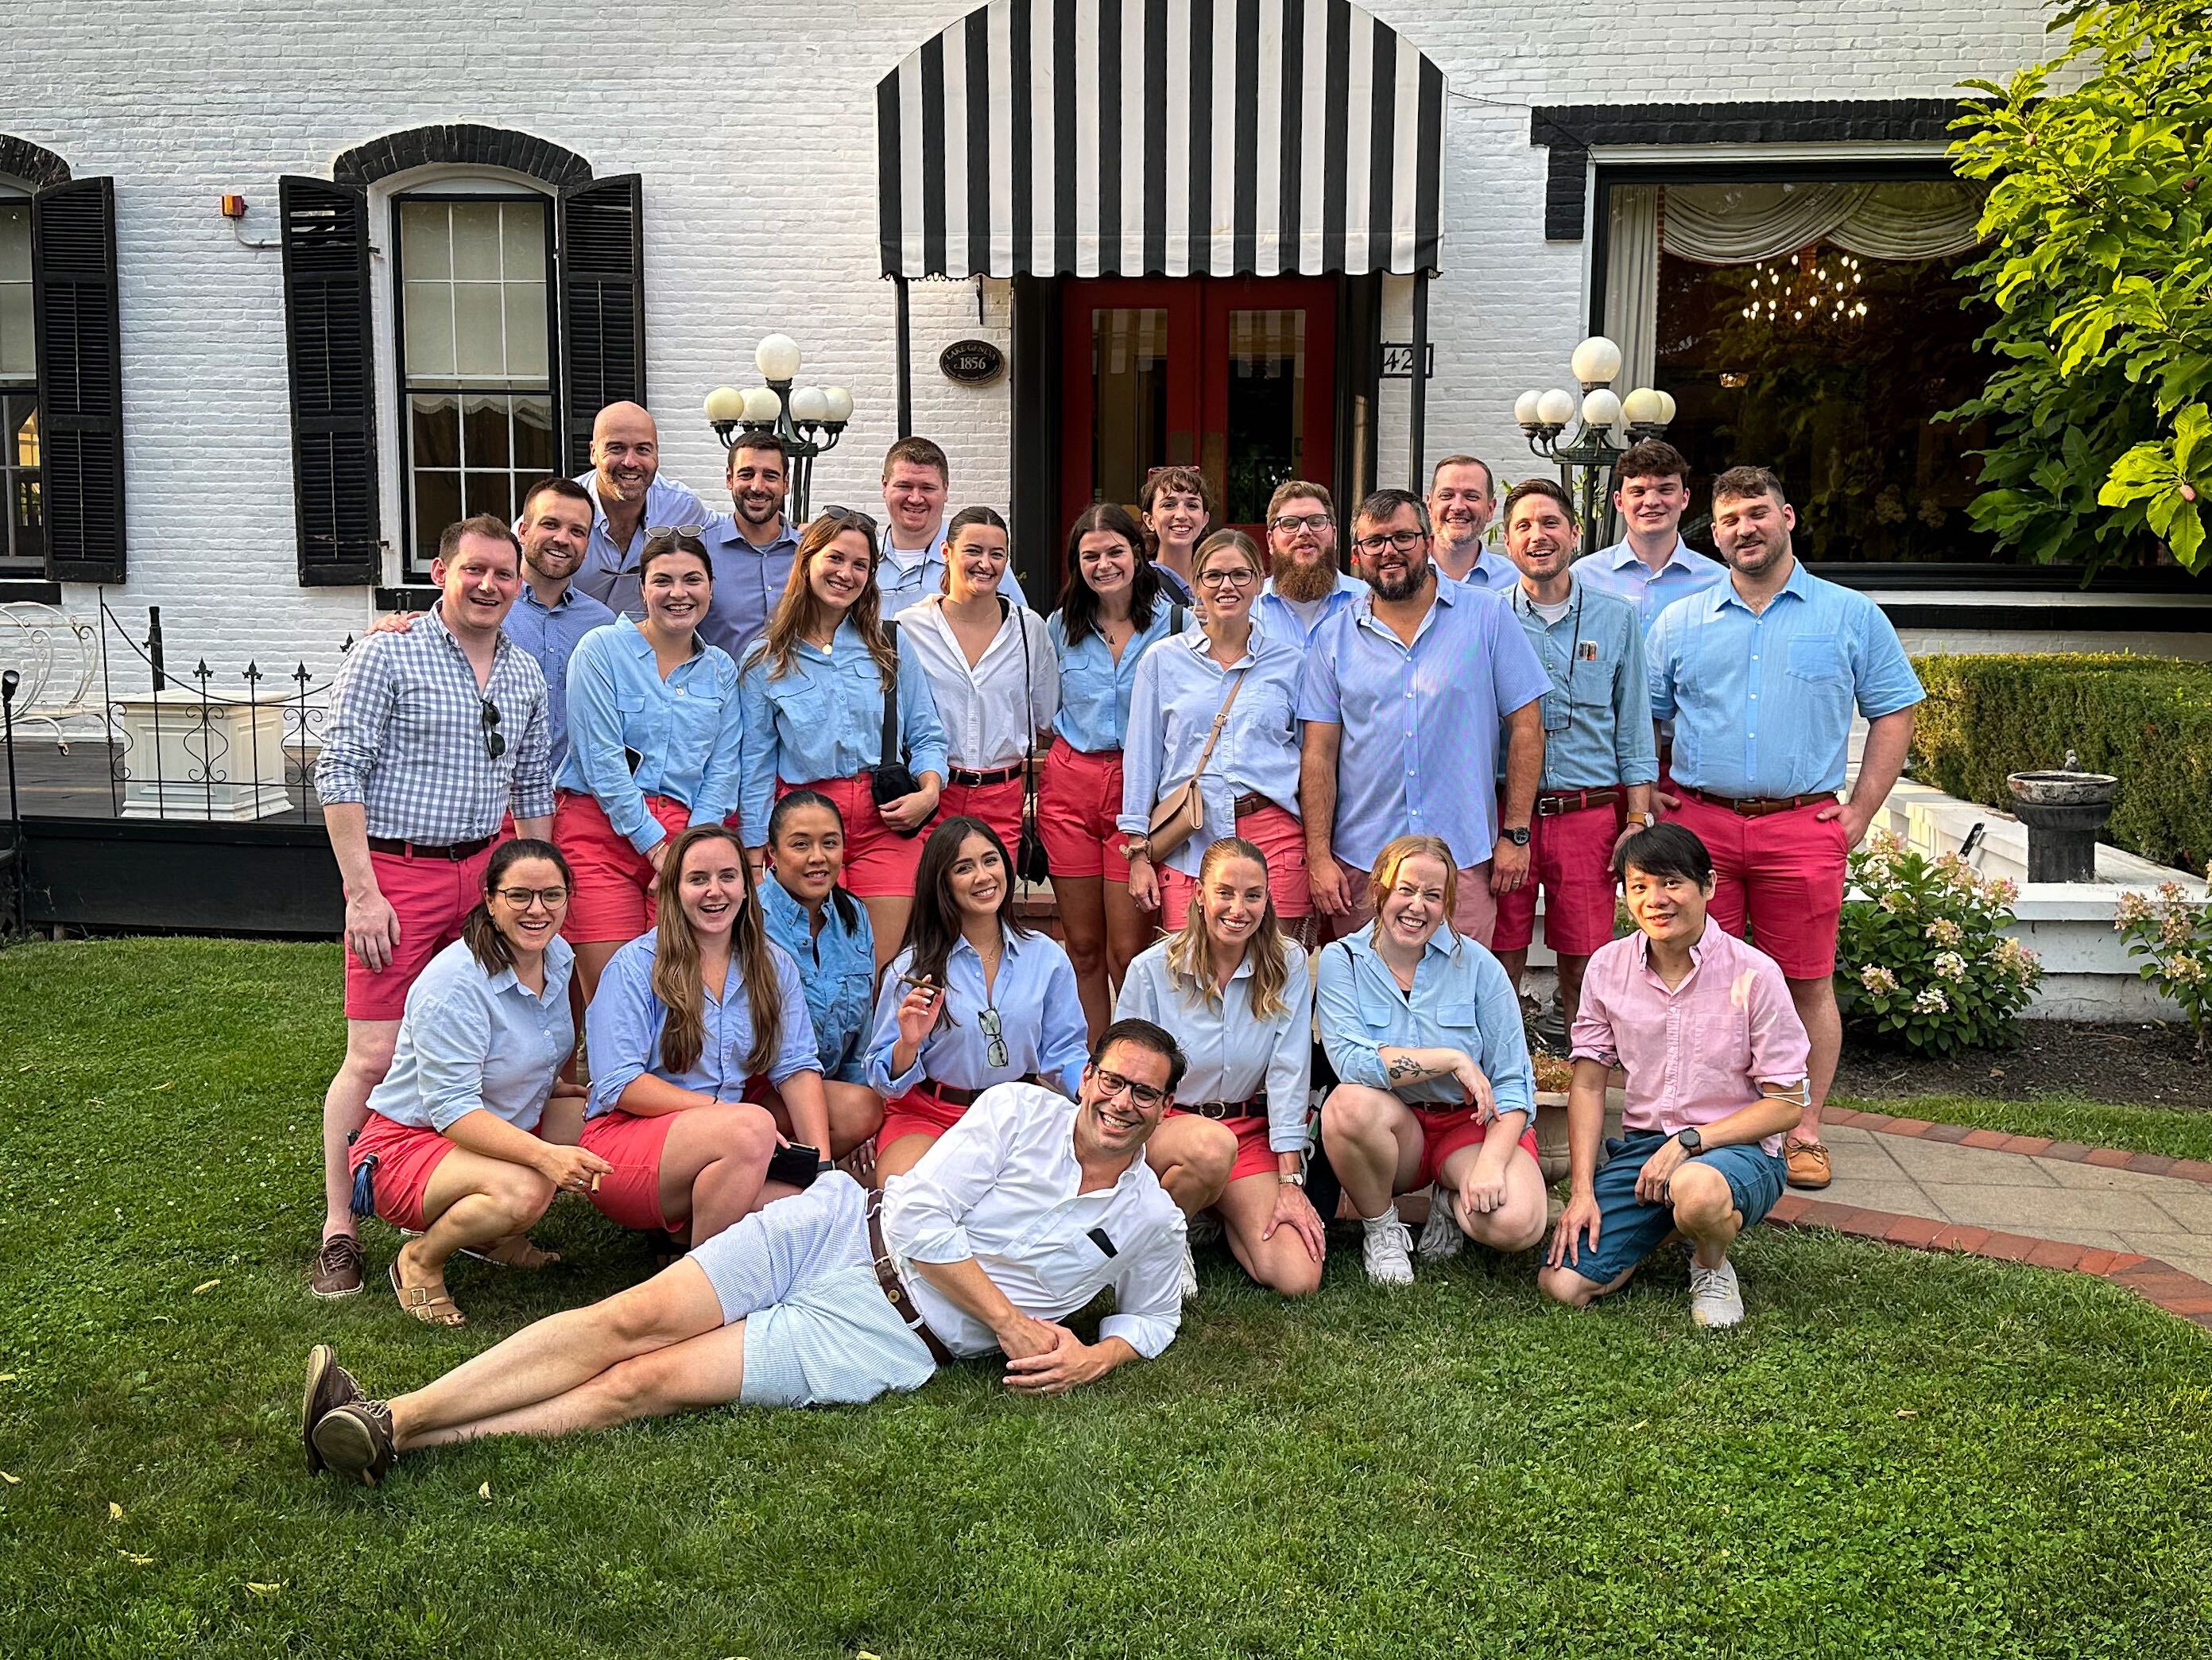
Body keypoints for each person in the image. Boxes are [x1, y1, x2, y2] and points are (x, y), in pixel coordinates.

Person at [299, 1020, 1191, 1485]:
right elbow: (921, 1219)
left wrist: (1094, 1357)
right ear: (1086, 1078)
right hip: (837, 1227)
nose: (1120, 1103)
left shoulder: (1152, 1219)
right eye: (1111, 1080)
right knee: (627, 1320)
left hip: (887, 1337)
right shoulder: (1016, 1112)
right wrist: (1010, 1323)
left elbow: (1153, 1316)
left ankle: (393, 1438)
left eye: (1143, 1095)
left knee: (643, 1383)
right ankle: (396, 1415)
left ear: (1164, 1110)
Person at [1646, 465, 1923, 1192]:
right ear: (1713, 532)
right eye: (1729, 519)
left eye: (1757, 513)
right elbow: (1644, 717)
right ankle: (1706, 1124)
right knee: (1694, 978)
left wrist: (1861, 809)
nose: (1744, 529)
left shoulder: (1849, 615)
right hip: (1698, 828)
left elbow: (1894, 710)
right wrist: (1651, 796)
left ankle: (1802, 1129)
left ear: (1787, 516)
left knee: (1804, 982)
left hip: (1800, 825)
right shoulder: (1678, 621)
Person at [309, 515, 554, 1299]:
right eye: (473, 569)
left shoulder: (524, 673)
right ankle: (341, 1227)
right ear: (440, 571)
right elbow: (339, 769)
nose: (488, 585)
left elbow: (533, 786)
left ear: (519, 584)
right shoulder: (388, 652)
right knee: (375, 1054)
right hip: (398, 871)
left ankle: (475, 1211)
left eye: (503, 574)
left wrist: (537, 886)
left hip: (486, 875)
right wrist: (362, 894)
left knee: (488, 1046)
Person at [1539, 823, 1811, 1328]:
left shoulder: (1754, 974)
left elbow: (1788, 1104)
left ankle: (1710, 1263)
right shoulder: (1606, 968)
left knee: (1699, 1191)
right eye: (1639, 886)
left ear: (1708, 886)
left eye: (1671, 883)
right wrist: (1582, 1193)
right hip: (1646, 1149)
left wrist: (1690, 1141)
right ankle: (1670, 1223)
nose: (1655, 900)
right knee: (1563, 1284)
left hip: (1739, 1149)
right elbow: (1589, 1084)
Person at [347, 840, 608, 1326]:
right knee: (527, 1188)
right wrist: (546, 1155)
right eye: (519, 896)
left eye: (552, 895)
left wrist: (552, 1088)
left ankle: (494, 1238)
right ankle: (420, 1260)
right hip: (409, 1143)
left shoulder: (557, 956)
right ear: (489, 900)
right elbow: (451, 1111)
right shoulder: (454, 983)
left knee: (603, 1122)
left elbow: (532, 1044)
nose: (537, 910)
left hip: (495, 1121)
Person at [1299, 489, 1551, 948]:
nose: (1388, 551)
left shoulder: (1488, 615)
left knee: (1459, 987)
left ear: (1429, 541)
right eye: (1374, 542)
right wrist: (1318, 855)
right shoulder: (1332, 639)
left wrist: (1516, 834)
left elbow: (1527, 728)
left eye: (1403, 537)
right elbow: (1318, 754)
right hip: (1364, 863)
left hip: (1463, 860)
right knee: (1367, 989)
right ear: (1356, 554)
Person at [1315, 835, 1544, 1286]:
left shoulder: (1479, 966)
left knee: (1518, 1224)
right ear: (1380, 889)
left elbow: (1513, 1081)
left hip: (1469, 1125)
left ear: (1447, 904)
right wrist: (1451, 1059)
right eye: (1405, 889)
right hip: (1396, 1131)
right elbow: (1351, 1063)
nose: (1417, 906)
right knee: (1346, 1106)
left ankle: (1450, 1200)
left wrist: (1491, 1163)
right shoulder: (1344, 962)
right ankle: (1382, 1228)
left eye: (1433, 895)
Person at [581, 824, 819, 1243]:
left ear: (747, 886)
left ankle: (692, 1225)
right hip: (626, 1142)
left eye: (727, 876)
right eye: (697, 879)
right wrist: (720, 1112)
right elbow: (620, 1084)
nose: (715, 891)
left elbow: (796, 1067)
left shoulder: (772, 963)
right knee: (752, 1128)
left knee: (811, 1187)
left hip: (728, 1131)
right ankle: (703, 1274)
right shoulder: (634, 965)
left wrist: (823, 1171)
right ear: (674, 890)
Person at [738, 508, 949, 972]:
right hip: (805, 827)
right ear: (808, 560)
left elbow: (927, 733)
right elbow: (755, 765)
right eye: (835, 558)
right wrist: (755, 856)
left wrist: (929, 793)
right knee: (805, 968)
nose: (846, 574)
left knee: (881, 966)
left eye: (860, 565)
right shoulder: (765, 659)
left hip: (885, 822)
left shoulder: (889, 644)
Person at [1117, 837, 1323, 1299]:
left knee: (1298, 1277)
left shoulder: (1288, 962)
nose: (1238, 909)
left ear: (1267, 899)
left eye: (1253, 895)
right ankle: (1166, 1239)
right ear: (1199, 894)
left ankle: (1211, 1211)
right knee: (1210, 1147)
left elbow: (1290, 1070)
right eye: (1224, 893)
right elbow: (1128, 1073)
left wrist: (1290, 1183)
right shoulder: (1151, 970)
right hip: (1168, 1128)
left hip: (1246, 1129)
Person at [1489, 479, 1659, 1036]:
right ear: (1507, 541)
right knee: (1498, 954)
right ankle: (1503, 1067)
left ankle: (1583, 1067)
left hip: (1587, 816)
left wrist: (1637, 818)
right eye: (1523, 526)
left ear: (1575, 533)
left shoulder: (1617, 617)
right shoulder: (1487, 617)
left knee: (1585, 961)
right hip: (1504, 815)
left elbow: (1633, 723)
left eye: (1550, 523)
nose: (1537, 536)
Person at [556, 529, 746, 1003]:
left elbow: (723, 770)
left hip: (688, 838)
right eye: (663, 580)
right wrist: (656, 848)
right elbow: (601, 760)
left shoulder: (721, 669)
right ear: (643, 588)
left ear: (711, 587)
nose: (678, 593)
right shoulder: (600, 649)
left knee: (681, 995)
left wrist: (690, 853)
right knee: (613, 995)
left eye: (692, 580)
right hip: (601, 833)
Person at [866, 817, 1089, 1184]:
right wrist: (909, 1043)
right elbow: (883, 1079)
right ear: (942, 883)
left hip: (1020, 1116)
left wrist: (1093, 1090)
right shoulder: (911, 968)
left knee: (1041, 1197)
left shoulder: (1047, 957)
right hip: (929, 1115)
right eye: (964, 868)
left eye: (990, 860)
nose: (983, 876)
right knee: (907, 1193)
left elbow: (1064, 1052)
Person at [1121, 529, 1310, 935]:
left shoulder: (1291, 663)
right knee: (1189, 966)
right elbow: (1141, 760)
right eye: (1214, 576)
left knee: (1275, 964)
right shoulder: (1162, 661)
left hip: (1273, 836)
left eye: (1240, 575)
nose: (1227, 586)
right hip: (1189, 839)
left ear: (1259, 582)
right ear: (1196, 584)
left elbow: (1310, 758)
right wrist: (1138, 852)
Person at [1043, 503, 1184, 1038]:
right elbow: (1044, 709)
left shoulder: (1176, 624)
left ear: (1138, 553)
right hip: (1070, 787)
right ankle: (1090, 1062)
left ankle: (1133, 1059)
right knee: (1082, 947)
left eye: (1114, 552)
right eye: (1090, 556)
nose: (1103, 565)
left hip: (1140, 790)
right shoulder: (1060, 627)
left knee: (1128, 951)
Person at [899, 506, 1058, 855]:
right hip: (929, 794)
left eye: (996, 554)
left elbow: (1046, 720)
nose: (985, 563)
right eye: (973, 551)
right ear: (946, 552)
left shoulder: (1030, 629)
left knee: (993, 890)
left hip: (1002, 798)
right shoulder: (908, 627)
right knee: (926, 891)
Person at [756, 790, 886, 1159]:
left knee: (863, 1110)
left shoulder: (854, 915)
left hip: (826, 1091)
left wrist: (862, 1126)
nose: (818, 857)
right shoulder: (748, 918)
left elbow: (863, 1029)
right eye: (801, 844)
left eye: (830, 843)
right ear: (772, 852)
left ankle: (788, 1176)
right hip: (758, 1093)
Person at [502, 477, 616, 772]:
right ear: (523, 532)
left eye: (577, 531)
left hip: (573, 791)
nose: (563, 539)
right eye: (550, 524)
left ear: (587, 546)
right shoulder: (489, 609)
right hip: (495, 790)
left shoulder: (602, 625)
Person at [569, 402, 707, 619]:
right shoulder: (561, 508)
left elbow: (728, 531)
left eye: (643, 449)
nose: (630, 462)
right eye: (616, 448)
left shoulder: (683, 507)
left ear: (657, 454)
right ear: (593, 452)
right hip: (571, 637)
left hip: (648, 638)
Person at [1575, 440, 1726, 628]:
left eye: (1665, 490)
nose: (1651, 501)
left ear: (1685, 498)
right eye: (1638, 492)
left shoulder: (1717, 582)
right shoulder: (1583, 578)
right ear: (1619, 502)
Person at [875, 436, 1024, 618]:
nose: (915, 498)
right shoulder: (862, 562)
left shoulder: (981, 565)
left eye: (927, 488)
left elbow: (1020, 628)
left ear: (945, 490)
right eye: (904, 486)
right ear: (885, 486)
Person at [693, 431, 803, 661]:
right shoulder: (699, 552)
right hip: (725, 684)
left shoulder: (810, 554)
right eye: (746, 474)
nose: (757, 486)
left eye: (770, 476)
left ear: (786, 484)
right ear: (729, 479)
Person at [1253, 480, 1366, 648]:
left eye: (1316, 522)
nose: (1304, 531)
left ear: (1334, 536)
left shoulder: (1366, 601)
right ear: (1271, 541)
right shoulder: (1250, 608)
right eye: (1290, 523)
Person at [1427, 455, 1517, 591]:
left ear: (1490, 509)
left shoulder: (1514, 581)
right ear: (1430, 506)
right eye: (1446, 495)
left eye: (1471, 496)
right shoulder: (1404, 575)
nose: (1457, 507)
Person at [1138, 465, 1214, 604]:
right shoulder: (1138, 587)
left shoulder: (1217, 583)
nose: (1181, 515)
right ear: (1149, 520)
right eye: (1169, 505)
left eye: (1192, 505)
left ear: (1205, 519)